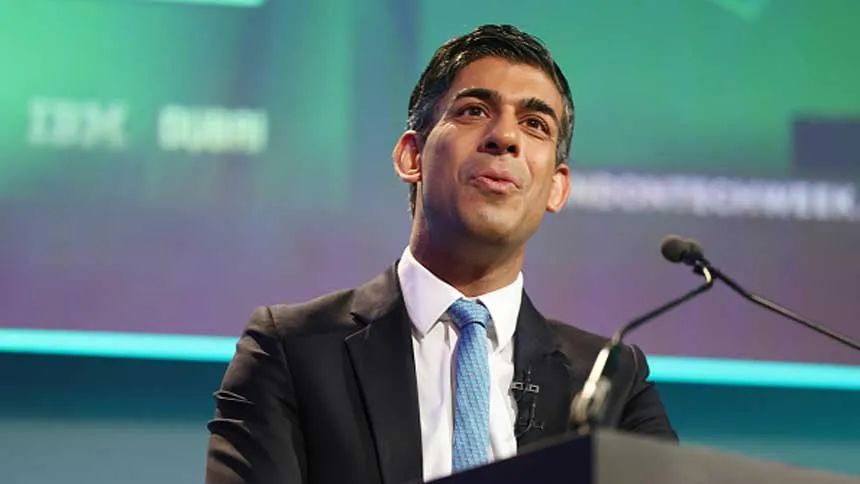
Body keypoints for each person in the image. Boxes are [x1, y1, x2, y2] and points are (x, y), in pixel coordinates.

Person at [206, 24, 676, 484]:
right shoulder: (292, 349)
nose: (505, 137)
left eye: (534, 124)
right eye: (474, 111)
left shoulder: (611, 381)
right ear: (412, 156)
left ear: (557, 187)